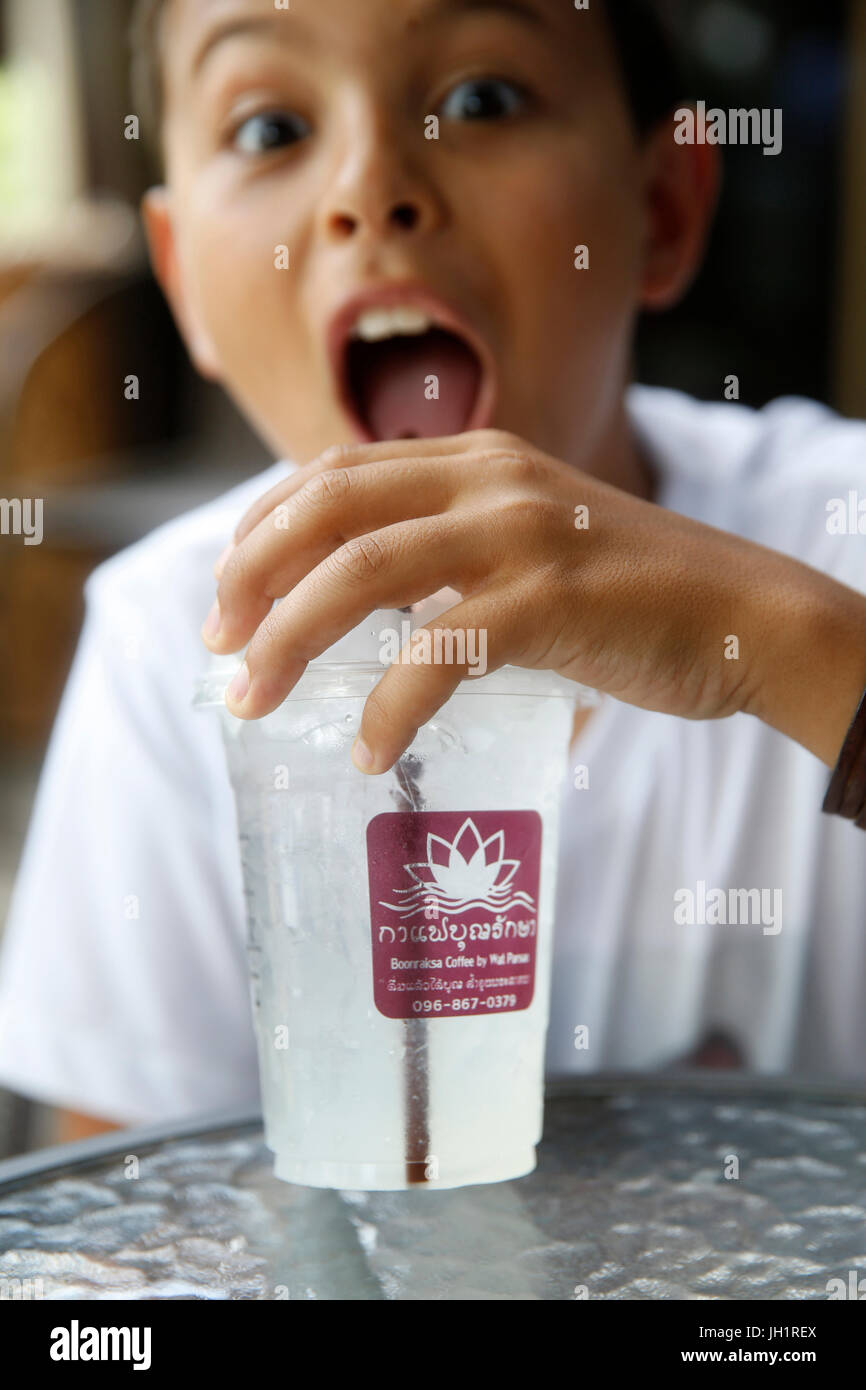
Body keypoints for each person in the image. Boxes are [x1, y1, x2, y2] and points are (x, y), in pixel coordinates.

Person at [1, 0, 865, 1144]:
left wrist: (772, 648)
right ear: (184, 280)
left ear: (661, 206)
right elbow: (124, 1240)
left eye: (481, 100)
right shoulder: (171, 636)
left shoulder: (832, 542)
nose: (371, 188)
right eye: (268, 128)